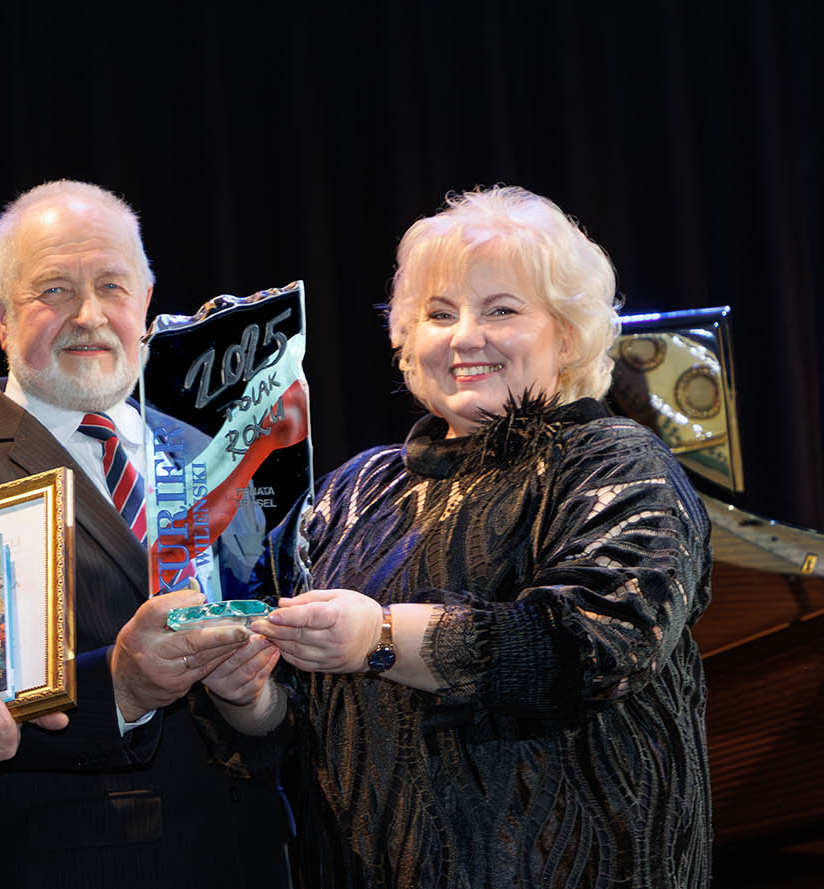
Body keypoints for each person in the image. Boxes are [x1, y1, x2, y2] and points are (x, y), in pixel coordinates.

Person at [227, 186, 712, 888]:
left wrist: (382, 635)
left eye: (502, 310)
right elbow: (299, 719)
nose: (464, 337)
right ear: (405, 338)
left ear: (567, 335)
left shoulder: (614, 462)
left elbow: (597, 641)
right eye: (439, 313)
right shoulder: (351, 491)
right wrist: (249, 696)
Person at [0, 180, 291, 888]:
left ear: (145, 300)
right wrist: (118, 689)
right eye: (54, 290)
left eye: (112, 286)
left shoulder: (213, 452)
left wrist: (257, 701)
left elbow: (276, 695)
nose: (88, 316)